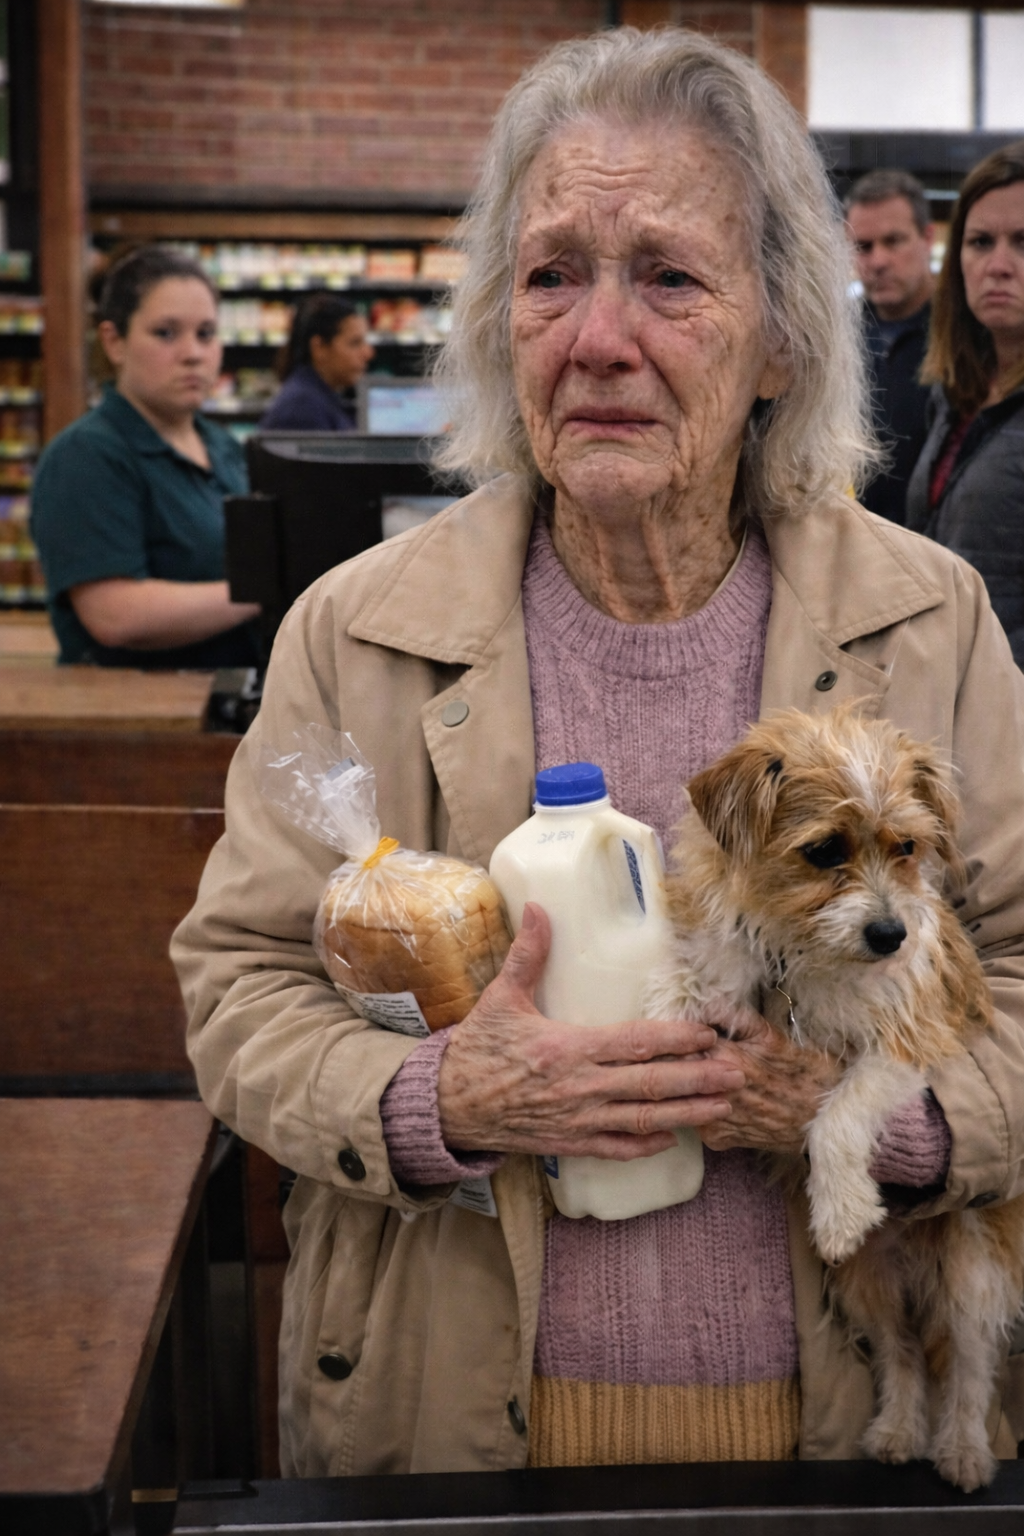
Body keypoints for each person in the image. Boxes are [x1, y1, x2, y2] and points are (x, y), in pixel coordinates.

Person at [173, 30, 1024, 1477]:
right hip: (446, 1422)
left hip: (845, 1426)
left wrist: (888, 1126)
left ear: (780, 342)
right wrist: (437, 1099)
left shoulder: (927, 621)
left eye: (672, 278)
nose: (598, 337)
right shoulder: (358, 631)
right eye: (553, 272)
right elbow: (237, 983)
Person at [30, 245, 261, 669]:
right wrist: (264, 593)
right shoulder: (86, 456)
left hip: (231, 707)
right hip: (142, 719)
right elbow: (114, 614)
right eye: (166, 333)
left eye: (206, 333)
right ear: (114, 342)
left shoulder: (224, 448)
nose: (193, 353)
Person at [906, 143, 1024, 667]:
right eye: (980, 242)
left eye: (1023, 242)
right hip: (947, 693)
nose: (998, 265)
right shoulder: (955, 395)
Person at [845, 169, 935, 525]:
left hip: (937, 556)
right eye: (864, 247)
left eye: (893, 241)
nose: (878, 261)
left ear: (927, 238)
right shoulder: (836, 339)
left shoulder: (966, 337)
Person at [259, 294, 374, 431]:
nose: (368, 353)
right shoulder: (302, 408)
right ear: (318, 347)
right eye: (355, 343)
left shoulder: (317, 396)